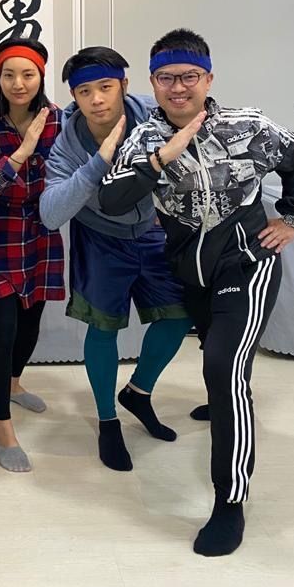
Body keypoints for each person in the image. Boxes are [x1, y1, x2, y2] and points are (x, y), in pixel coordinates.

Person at [99, 28, 294, 557]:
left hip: (247, 262)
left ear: (208, 79)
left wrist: (292, 216)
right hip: (188, 270)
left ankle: (229, 503)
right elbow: (112, 199)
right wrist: (161, 157)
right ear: (153, 82)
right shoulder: (143, 138)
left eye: (190, 77)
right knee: (215, 358)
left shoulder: (247, 126)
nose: (179, 88)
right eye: (167, 78)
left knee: (223, 368)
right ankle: (222, 405)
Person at [39, 46, 192, 472]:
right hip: (101, 239)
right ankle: (108, 421)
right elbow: (51, 215)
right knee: (103, 328)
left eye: (106, 87)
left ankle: (138, 392)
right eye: (84, 91)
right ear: (74, 96)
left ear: (124, 84)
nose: (97, 99)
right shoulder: (68, 143)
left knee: (178, 316)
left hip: (153, 230)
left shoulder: (152, 113)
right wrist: (97, 162)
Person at [0, 38, 63, 473]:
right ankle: (1, 425)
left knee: (31, 322)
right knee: (2, 328)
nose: (18, 83)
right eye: (9, 75)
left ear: (41, 76)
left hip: (41, 233)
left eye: (28, 74)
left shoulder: (61, 120)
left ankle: (14, 382)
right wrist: (23, 150)